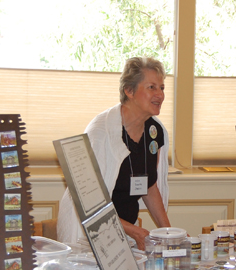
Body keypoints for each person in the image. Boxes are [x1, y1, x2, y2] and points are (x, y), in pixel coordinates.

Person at [58, 57, 171, 250]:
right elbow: (89, 204)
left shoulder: (155, 131)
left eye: (162, 87)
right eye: (151, 87)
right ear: (129, 91)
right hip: (86, 233)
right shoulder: (100, 133)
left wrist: (169, 233)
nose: (159, 95)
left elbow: (149, 185)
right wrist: (133, 231)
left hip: (124, 230)